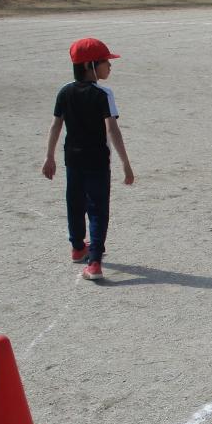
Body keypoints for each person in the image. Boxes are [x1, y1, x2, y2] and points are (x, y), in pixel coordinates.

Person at [42, 37, 134, 282]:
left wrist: (49, 157)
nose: (110, 67)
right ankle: (94, 261)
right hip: (97, 161)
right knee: (97, 208)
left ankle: (77, 247)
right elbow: (112, 129)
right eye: (105, 62)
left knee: (74, 201)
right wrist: (125, 162)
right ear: (89, 66)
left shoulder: (64, 91)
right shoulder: (103, 94)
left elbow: (55, 126)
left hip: (72, 158)